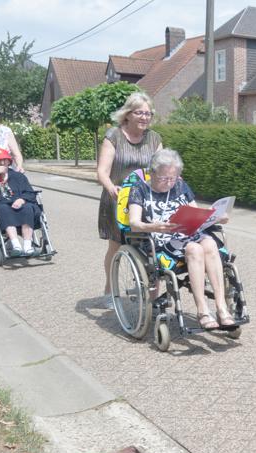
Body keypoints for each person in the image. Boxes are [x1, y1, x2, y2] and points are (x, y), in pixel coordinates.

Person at [124, 149, 236, 330]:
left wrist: (216, 217)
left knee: (209, 243)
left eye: (173, 178)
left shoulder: (180, 186)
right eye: (163, 178)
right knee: (194, 249)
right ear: (152, 172)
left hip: (187, 234)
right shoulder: (139, 189)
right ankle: (202, 311)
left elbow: (196, 212)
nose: (169, 183)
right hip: (160, 241)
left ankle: (221, 307)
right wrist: (153, 226)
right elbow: (134, 223)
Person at [96, 91, 162, 307]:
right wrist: (111, 188)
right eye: (139, 113)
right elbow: (102, 172)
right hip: (118, 200)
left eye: (148, 113)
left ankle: (145, 283)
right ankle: (109, 289)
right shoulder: (114, 135)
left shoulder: (154, 138)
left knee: (149, 246)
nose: (145, 117)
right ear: (128, 114)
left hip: (145, 199)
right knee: (115, 247)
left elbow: (161, 166)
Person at [0, 147, 39, 256]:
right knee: (4, 209)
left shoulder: (18, 176)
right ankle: (16, 245)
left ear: (9, 161)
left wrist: (22, 200)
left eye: (4, 159)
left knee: (28, 208)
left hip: (22, 203)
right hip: (3, 206)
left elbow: (30, 193)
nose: (2, 162)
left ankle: (27, 246)